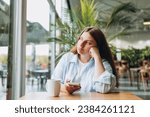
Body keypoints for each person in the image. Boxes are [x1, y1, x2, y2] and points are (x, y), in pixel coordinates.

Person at [51, 26, 118, 94]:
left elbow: (103, 88)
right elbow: (52, 84)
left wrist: (97, 57)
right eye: (81, 39)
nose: (81, 45)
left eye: (88, 43)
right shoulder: (67, 58)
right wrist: (65, 89)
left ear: (97, 47)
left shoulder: (103, 64)